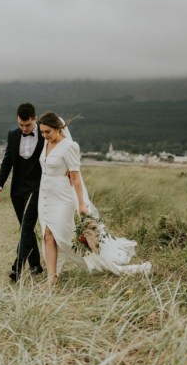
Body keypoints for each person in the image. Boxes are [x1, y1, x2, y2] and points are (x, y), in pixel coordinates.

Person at [37, 111, 151, 287]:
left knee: (65, 239)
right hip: (44, 197)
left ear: (58, 128)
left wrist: (82, 203)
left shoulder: (69, 146)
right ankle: (52, 277)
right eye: (42, 132)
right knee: (47, 235)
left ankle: (110, 266)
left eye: (47, 132)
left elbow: (76, 178)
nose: (44, 135)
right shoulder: (46, 144)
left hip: (63, 198)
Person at [0, 102, 45, 282]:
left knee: (27, 226)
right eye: (20, 125)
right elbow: (7, 161)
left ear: (35, 119)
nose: (24, 129)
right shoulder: (13, 135)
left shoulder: (45, 135)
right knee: (26, 228)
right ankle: (36, 266)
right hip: (17, 190)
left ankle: (18, 267)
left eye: (28, 125)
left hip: (37, 187)